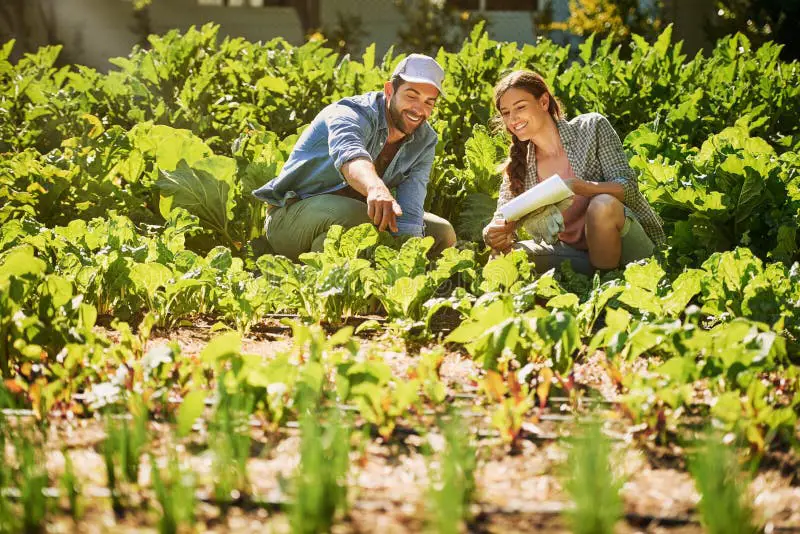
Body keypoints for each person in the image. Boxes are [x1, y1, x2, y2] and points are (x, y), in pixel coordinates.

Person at [253, 54, 457, 261]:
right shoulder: (350, 113)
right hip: (291, 218)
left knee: (441, 233)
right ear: (389, 91)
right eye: (411, 96)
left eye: (428, 102)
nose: (418, 109)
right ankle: (320, 281)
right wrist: (375, 188)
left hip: (356, 217)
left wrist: (406, 261)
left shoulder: (425, 139)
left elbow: (411, 208)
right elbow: (350, 156)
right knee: (359, 218)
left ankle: (353, 273)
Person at [483, 70, 665, 274]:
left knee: (602, 204)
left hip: (630, 250)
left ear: (543, 102)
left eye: (520, 107)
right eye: (506, 113)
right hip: (577, 256)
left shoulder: (591, 128)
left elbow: (628, 188)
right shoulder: (520, 163)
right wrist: (493, 233)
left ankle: (605, 290)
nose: (513, 118)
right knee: (502, 258)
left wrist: (581, 187)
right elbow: (500, 214)